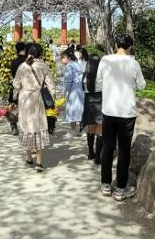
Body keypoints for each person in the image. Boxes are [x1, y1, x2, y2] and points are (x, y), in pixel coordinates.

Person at [97, 35, 146, 201]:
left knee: (108, 147)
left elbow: (98, 82)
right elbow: (142, 85)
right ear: (130, 46)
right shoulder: (134, 63)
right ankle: (120, 189)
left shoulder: (105, 60)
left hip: (108, 110)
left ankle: (105, 184)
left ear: (116, 45)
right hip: (126, 112)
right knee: (124, 150)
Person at [12, 43, 55, 172]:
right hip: (37, 99)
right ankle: (39, 162)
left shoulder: (23, 66)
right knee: (39, 128)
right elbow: (51, 85)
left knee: (26, 127)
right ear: (40, 53)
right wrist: (52, 100)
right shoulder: (43, 66)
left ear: (28, 53)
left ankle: (29, 158)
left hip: (24, 99)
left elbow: (16, 84)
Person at [82, 54, 103, 163]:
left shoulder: (86, 75)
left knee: (91, 128)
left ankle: (91, 153)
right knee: (100, 129)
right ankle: (98, 157)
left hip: (88, 101)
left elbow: (82, 88)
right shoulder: (102, 74)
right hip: (100, 100)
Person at [62, 47, 85, 136]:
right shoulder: (76, 64)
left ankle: (73, 130)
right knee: (80, 109)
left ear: (69, 58)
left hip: (73, 90)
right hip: (80, 89)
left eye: (63, 57)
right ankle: (82, 130)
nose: (62, 60)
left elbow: (68, 81)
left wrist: (64, 92)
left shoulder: (69, 66)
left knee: (72, 109)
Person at [7, 42, 27, 135]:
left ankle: (13, 125)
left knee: (14, 106)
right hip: (27, 88)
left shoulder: (14, 62)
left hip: (16, 87)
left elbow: (12, 75)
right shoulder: (29, 61)